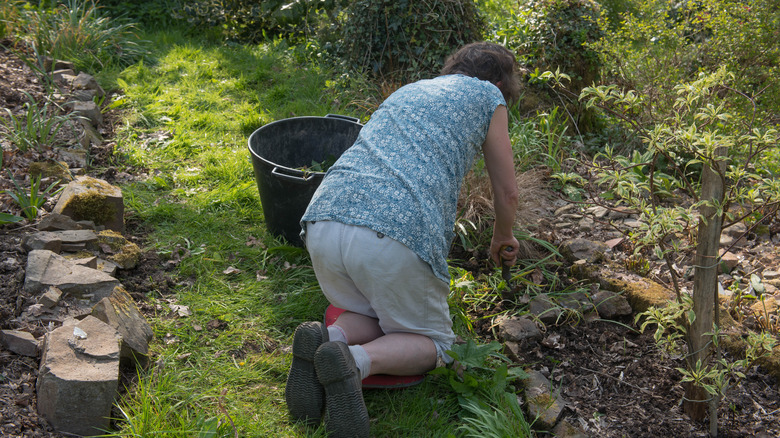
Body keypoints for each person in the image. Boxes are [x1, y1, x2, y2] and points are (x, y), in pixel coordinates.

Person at [285, 41, 521, 437]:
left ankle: (328, 338)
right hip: (392, 233)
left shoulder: (412, 89)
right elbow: (508, 190)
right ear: (499, 80)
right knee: (438, 344)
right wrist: (503, 234)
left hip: (324, 218)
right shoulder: (489, 94)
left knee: (375, 311)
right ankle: (353, 363)